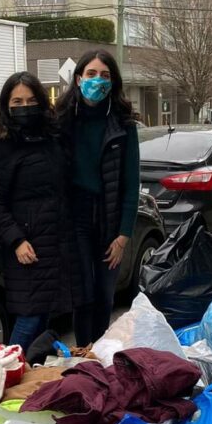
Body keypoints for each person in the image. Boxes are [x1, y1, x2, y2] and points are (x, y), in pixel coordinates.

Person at [56, 49, 140, 347]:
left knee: (104, 295)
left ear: (113, 82)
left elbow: (132, 182)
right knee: (83, 294)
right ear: (78, 79)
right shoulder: (61, 121)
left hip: (109, 219)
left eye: (105, 75)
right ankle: (83, 354)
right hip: (75, 219)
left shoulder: (123, 124)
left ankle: (100, 352)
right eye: (91, 74)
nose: (97, 81)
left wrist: (123, 235)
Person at [0, 72, 77, 353]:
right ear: (6, 105)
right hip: (26, 249)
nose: (24, 106)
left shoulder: (53, 138)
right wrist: (15, 240)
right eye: (17, 101)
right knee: (29, 318)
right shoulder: (2, 143)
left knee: (44, 318)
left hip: (55, 244)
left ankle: (27, 381)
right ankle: (3, 374)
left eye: (30, 100)